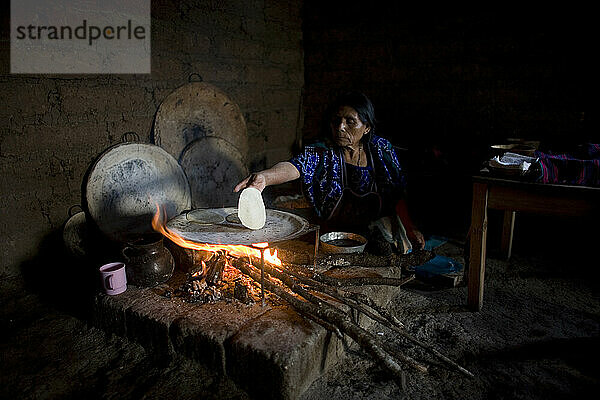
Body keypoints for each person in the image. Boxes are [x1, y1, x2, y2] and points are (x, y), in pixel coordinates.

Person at [234, 92, 425, 252]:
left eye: (350, 121)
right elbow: (295, 166)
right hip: (331, 234)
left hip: (374, 230)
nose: (340, 127)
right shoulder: (323, 151)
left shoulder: (380, 150)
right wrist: (265, 177)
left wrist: (410, 228)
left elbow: (396, 194)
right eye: (336, 121)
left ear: (366, 127)